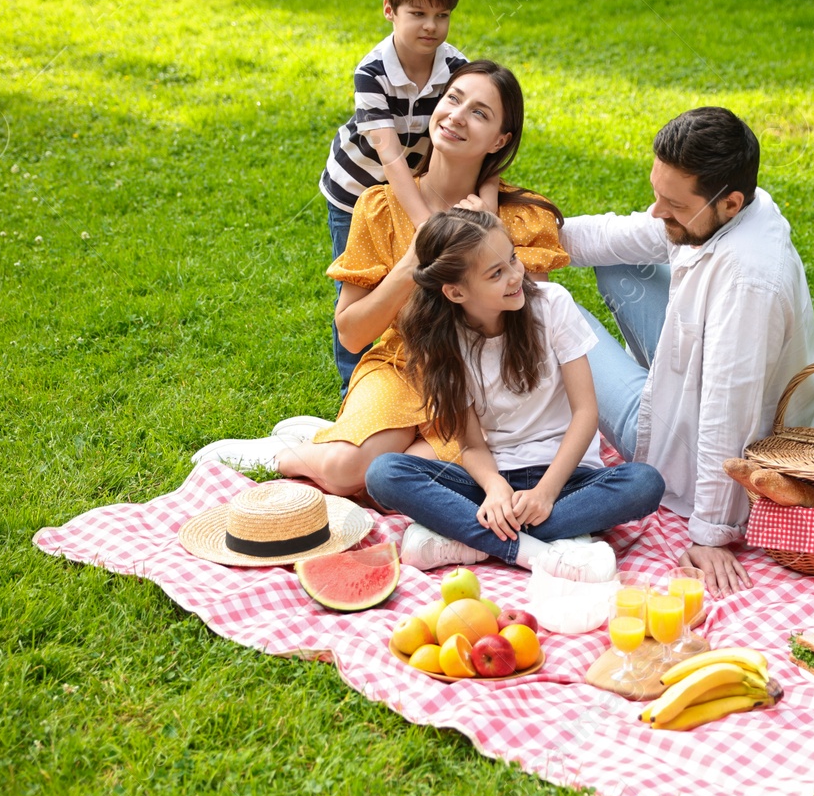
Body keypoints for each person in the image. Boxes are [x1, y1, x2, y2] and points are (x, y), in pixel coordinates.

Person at [194, 61, 564, 496]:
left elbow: (533, 322)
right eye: (453, 99)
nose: (457, 117)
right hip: (401, 367)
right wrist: (411, 264)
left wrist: (489, 241)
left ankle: (337, 436)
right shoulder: (380, 208)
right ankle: (287, 453)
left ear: (501, 139)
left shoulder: (524, 217)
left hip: (484, 386)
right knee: (348, 470)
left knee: (395, 483)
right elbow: (351, 335)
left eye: (480, 113)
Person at [558, 106, 814, 596]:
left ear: (728, 203)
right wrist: (517, 236)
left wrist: (711, 533)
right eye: (658, 194)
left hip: (706, 438)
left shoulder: (749, 284)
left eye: (673, 204)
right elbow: (622, 235)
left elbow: (730, 411)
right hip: (694, 376)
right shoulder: (738, 207)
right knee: (620, 265)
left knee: (552, 310)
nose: (658, 212)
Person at [364, 209, 665, 581]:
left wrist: (545, 493)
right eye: (496, 273)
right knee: (384, 472)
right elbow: (471, 445)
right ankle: (530, 549)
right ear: (456, 292)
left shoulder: (552, 304)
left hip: (568, 480)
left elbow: (587, 413)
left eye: (512, 259)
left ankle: (470, 541)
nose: (515, 276)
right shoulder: (442, 343)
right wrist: (494, 489)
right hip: (494, 483)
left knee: (644, 484)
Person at [320, 0, 499, 392]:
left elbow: (483, 147)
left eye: (442, 15)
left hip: (414, 184)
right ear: (389, 10)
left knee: (418, 283)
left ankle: (423, 377)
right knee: (363, 285)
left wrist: (488, 209)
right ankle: (352, 389)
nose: (431, 26)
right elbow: (390, 156)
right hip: (357, 192)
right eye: (418, 13)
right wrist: (428, 224)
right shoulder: (372, 73)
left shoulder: (456, 68)